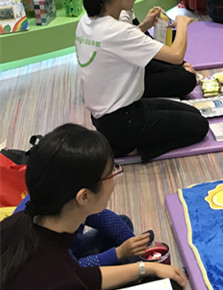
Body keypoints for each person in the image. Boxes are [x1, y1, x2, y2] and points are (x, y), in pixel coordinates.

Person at [0, 124, 186, 289]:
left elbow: (82, 274)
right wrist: (122, 255)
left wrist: (145, 267)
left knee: (124, 227)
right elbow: (74, 275)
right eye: (112, 172)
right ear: (84, 196)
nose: (115, 177)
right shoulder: (59, 275)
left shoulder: (30, 217)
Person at [75, 0, 208, 162]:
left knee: (194, 113)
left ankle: (124, 141)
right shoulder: (118, 30)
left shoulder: (87, 20)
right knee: (200, 127)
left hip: (108, 115)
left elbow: (120, 43)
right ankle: (133, 148)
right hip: (123, 121)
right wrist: (182, 24)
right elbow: (175, 56)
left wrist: (144, 25)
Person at [108, 0, 198, 99]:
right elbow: (145, 56)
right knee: (186, 77)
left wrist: (144, 25)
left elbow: (133, 41)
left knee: (172, 40)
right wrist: (182, 24)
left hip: (130, 64)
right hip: (125, 82)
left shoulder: (121, 3)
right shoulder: (120, 14)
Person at [13, 192, 151, 268]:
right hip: (64, 273)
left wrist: (135, 244)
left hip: (71, 254)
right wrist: (119, 253)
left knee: (123, 222)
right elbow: (75, 271)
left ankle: (132, 259)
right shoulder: (46, 235)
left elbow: (104, 219)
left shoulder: (66, 198)